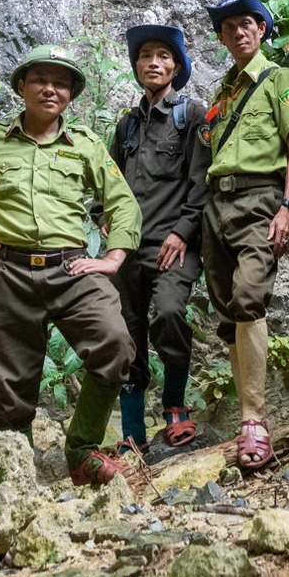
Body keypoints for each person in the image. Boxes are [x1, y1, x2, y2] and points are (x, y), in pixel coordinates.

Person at [0, 44, 144, 486]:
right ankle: (18, 478)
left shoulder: (83, 144)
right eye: (41, 80)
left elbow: (123, 204)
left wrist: (113, 258)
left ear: (71, 94)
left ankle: (82, 450)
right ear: (22, 87)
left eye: (61, 83)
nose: (51, 89)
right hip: (7, 272)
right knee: (13, 388)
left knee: (115, 344)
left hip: (72, 270)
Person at [199, 0, 289, 471]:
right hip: (216, 203)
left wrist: (288, 205)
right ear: (221, 37)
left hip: (260, 199)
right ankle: (247, 417)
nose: (239, 32)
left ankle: (255, 421)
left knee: (248, 296)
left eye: (248, 23)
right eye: (229, 27)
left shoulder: (279, 78)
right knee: (226, 313)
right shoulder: (222, 93)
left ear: (261, 29)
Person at [106, 24, 208, 457]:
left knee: (168, 313)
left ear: (177, 67)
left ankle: (174, 405)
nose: (153, 62)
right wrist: (106, 224)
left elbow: (203, 182)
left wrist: (183, 231)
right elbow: (107, 182)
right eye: (145, 55)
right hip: (126, 249)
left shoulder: (191, 116)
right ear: (136, 66)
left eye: (163, 56)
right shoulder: (127, 126)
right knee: (125, 333)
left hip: (174, 244)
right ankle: (132, 431)